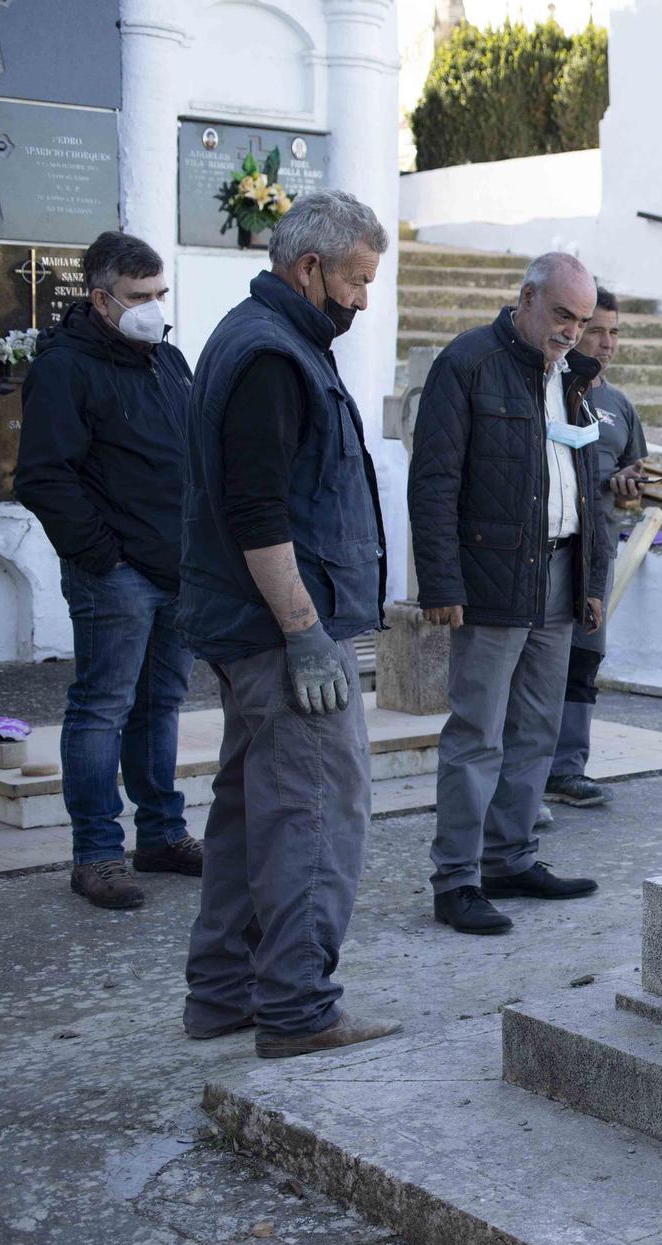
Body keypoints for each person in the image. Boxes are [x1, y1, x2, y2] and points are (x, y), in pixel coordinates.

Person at [176, 190, 400, 1057]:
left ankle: (224, 993)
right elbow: (258, 512)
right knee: (313, 810)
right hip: (278, 636)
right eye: (355, 279)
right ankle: (300, 1008)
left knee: (246, 810)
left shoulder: (263, 336)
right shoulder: (272, 354)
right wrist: (306, 631)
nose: (362, 299)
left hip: (249, 631)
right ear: (310, 269)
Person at [410, 251, 610, 936]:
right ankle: (457, 878)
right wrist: (439, 581)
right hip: (491, 577)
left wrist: (593, 579)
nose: (571, 332)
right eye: (561, 315)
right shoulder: (466, 363)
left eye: (581, 321)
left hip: (558, 573)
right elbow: (432, 482)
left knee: (536, 728)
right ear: (525, 298)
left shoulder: (574, 377)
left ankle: (511, 857)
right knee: (477, 731)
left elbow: (589, 486)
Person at [17, 230, 203, 910]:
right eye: (138, 296)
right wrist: (103, 556)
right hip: (116, 575)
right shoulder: (66, 367)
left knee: (161, 707)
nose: (153, 308)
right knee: (101, 710)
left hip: (176, 568)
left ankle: (161, 833)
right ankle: (97, 852)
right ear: (100, 299)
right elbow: (43, 475)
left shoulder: (168, 359)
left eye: (159, 294)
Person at [543, 287, 651, 808]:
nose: (606, 343)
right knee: (536, 666)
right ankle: (521, 781)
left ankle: (567, 770)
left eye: (614, 332)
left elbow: (630, 477)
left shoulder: (619, 405)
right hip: (545, 551)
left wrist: (629, 484)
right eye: (597, 330)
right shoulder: (545, 388)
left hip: (596, 553)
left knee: (584, 661)